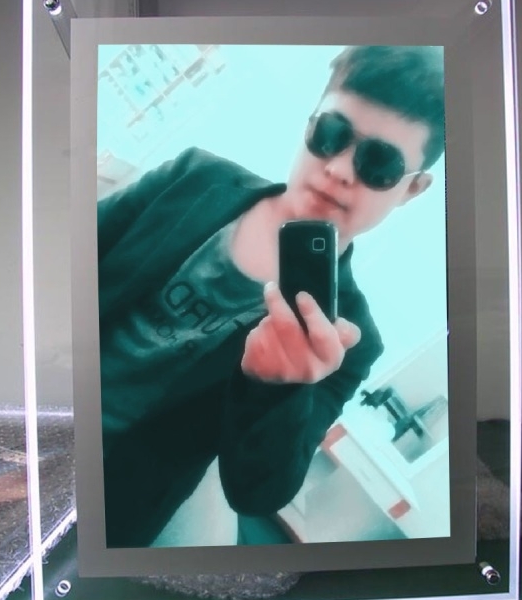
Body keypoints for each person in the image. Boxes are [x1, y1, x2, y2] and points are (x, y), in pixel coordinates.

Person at [97, 45, 445, 548]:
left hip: (107, 504)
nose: (339, 169)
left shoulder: (348, 341)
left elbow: (256, 492)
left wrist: (277, 387)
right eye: (331, 134)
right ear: (309, 124)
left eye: (379, 164)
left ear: (412, 189)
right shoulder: (194, 178)